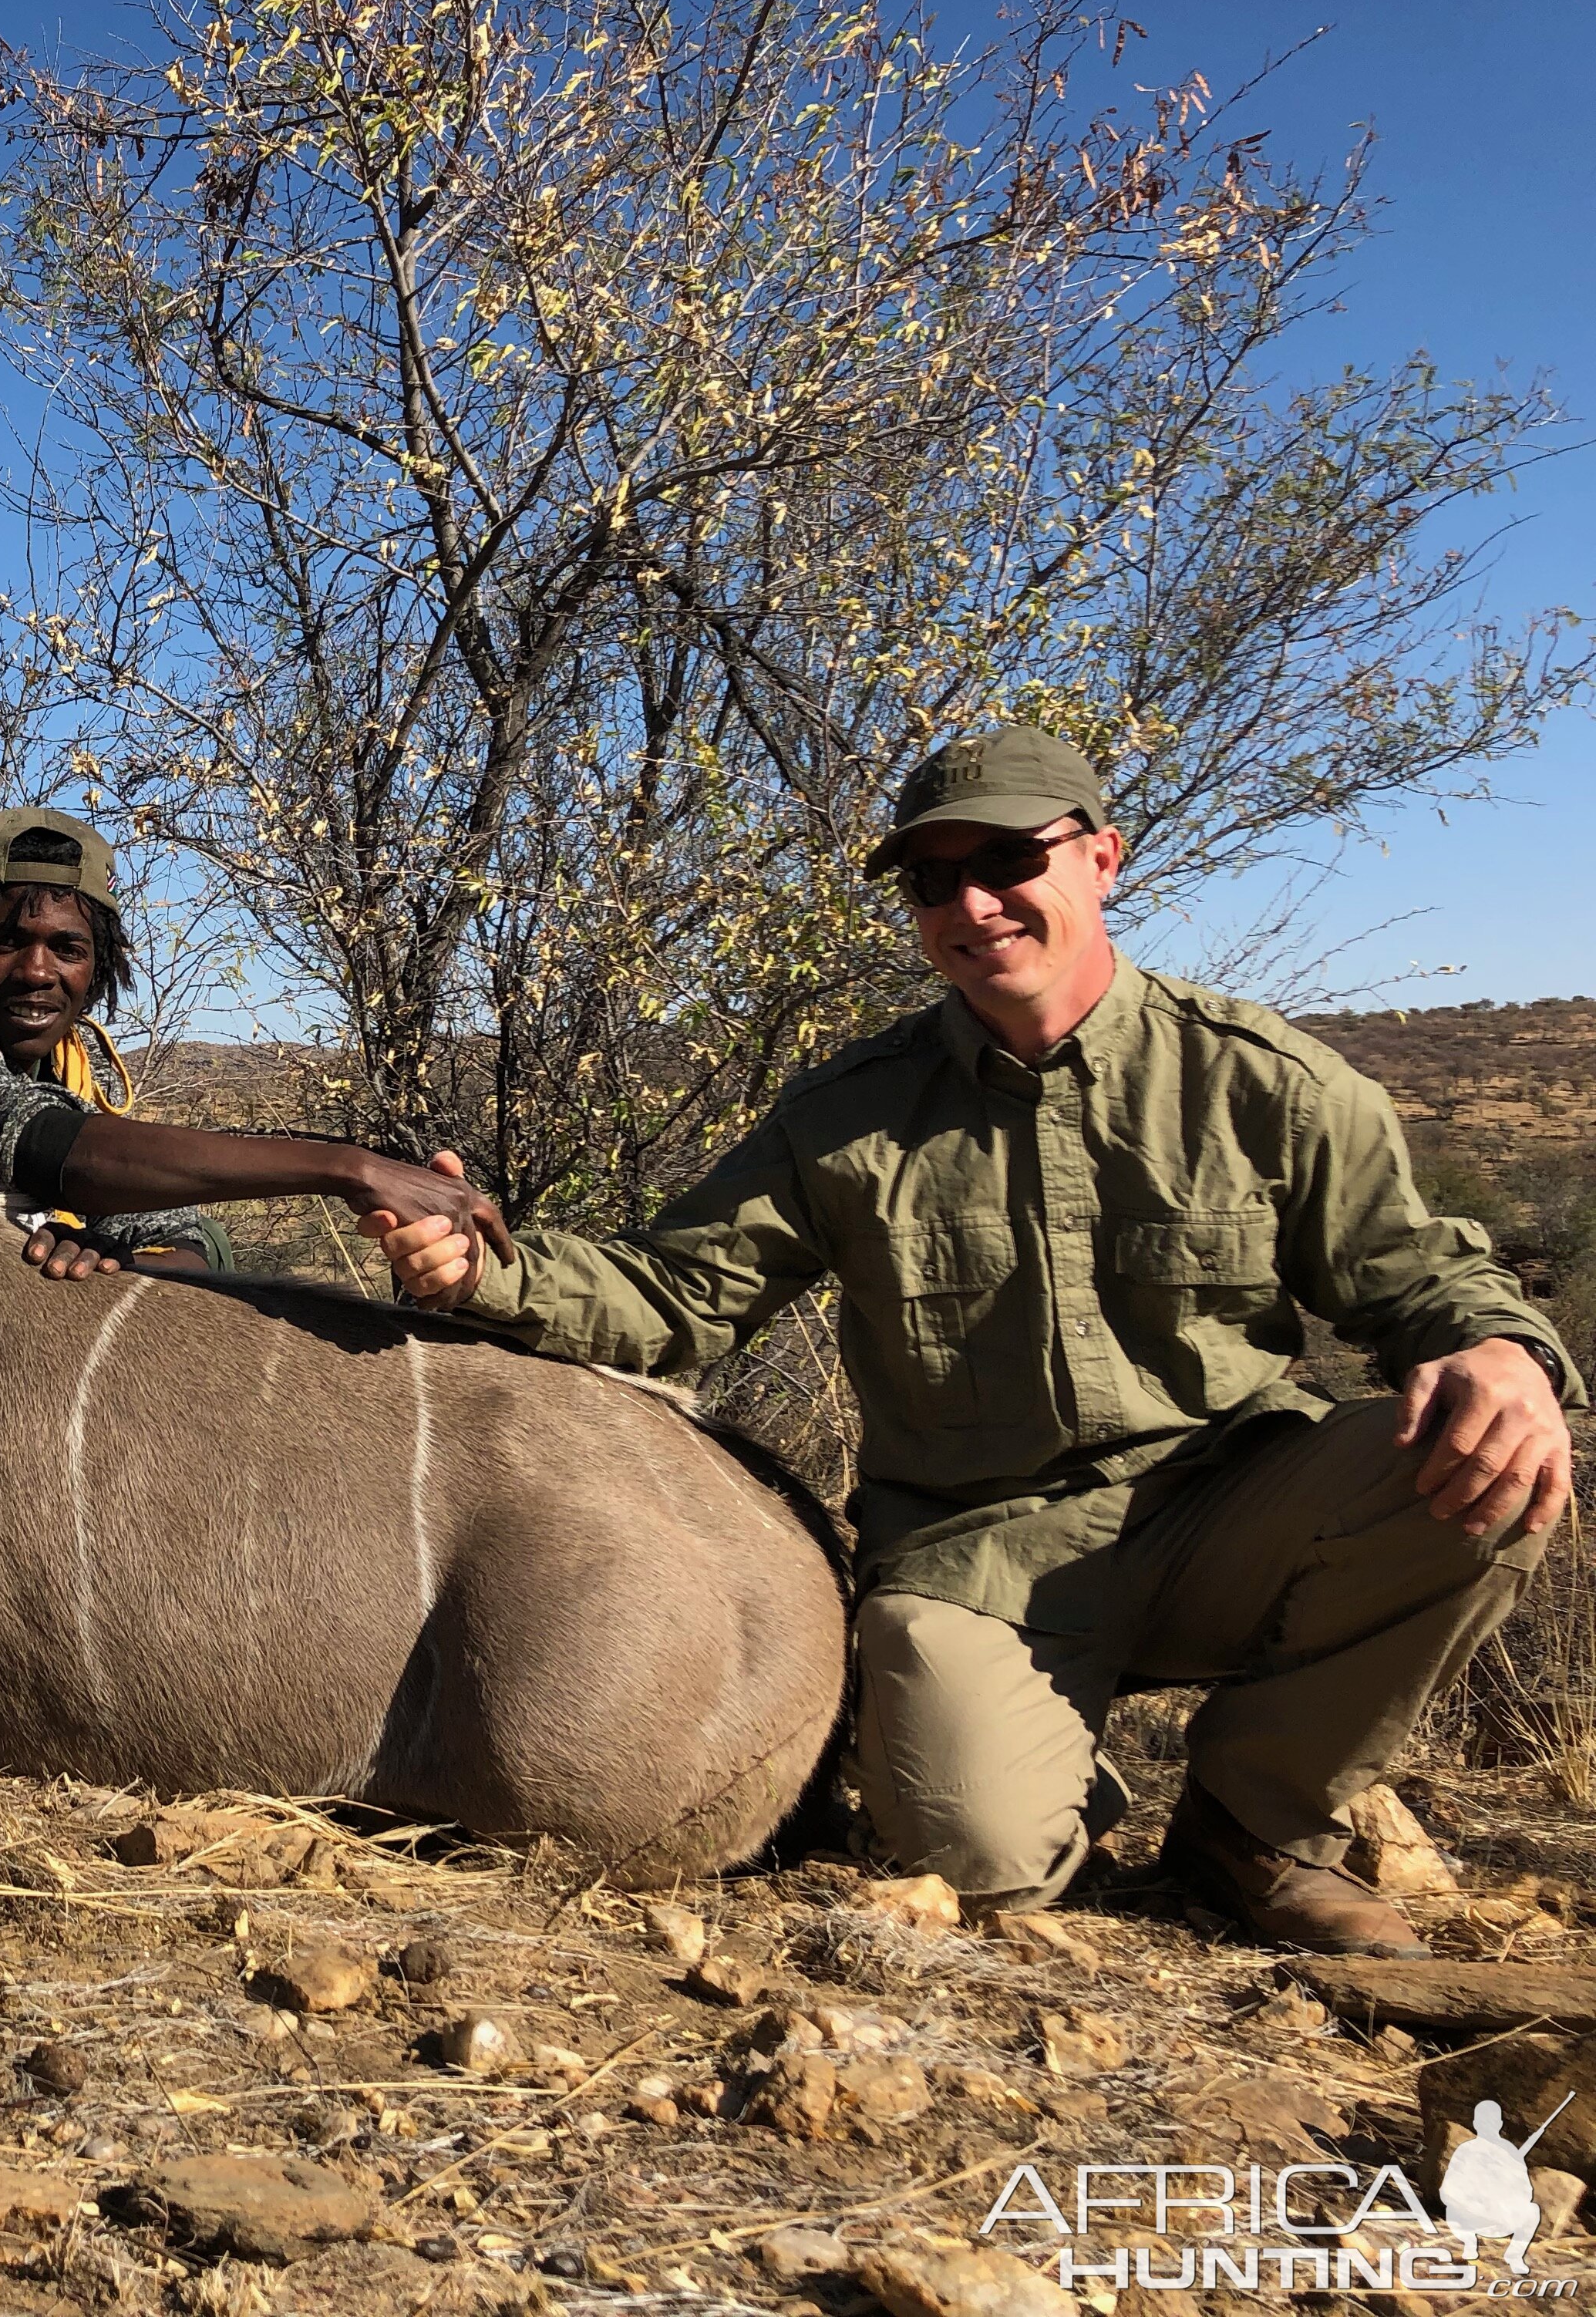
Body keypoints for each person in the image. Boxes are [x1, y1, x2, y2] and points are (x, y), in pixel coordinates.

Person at [369, 727, 1581, 1956]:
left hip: (1223, 1503)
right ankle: (1050, 1764)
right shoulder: (849, 1116)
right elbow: (679, 1291)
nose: (973, 903)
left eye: (1007, 859)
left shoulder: (1267, 1083)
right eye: (933, 880)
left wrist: (1499, 1350)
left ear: (1102, 859)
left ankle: (1259, 1825)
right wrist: (484, 1271)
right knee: (984, 1872)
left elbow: (1418, 1275)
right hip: (977, 1557)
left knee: (1489, 1469)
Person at [0, 807, 504, 1280]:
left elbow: (192, 1236)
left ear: (98, 967)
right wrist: (347, 1167)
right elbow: (29, 1138)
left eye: (67, 948)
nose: (38, 971)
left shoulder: (62, 1065)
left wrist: (122, 1259)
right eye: (6, 941)